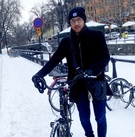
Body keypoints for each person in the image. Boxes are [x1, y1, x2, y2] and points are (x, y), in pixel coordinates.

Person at [31, 7, 110, 137]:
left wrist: (93, 69)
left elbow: (105, 57)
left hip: (97, 81)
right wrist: (40, 74)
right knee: (84, 118)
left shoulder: (97, 36)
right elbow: (54, 60)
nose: (76, 23)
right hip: (78, 84)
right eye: (72, 21)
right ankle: (89, 135)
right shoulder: (66, 42)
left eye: (78, 19)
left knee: (100, 117)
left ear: (84, 20)